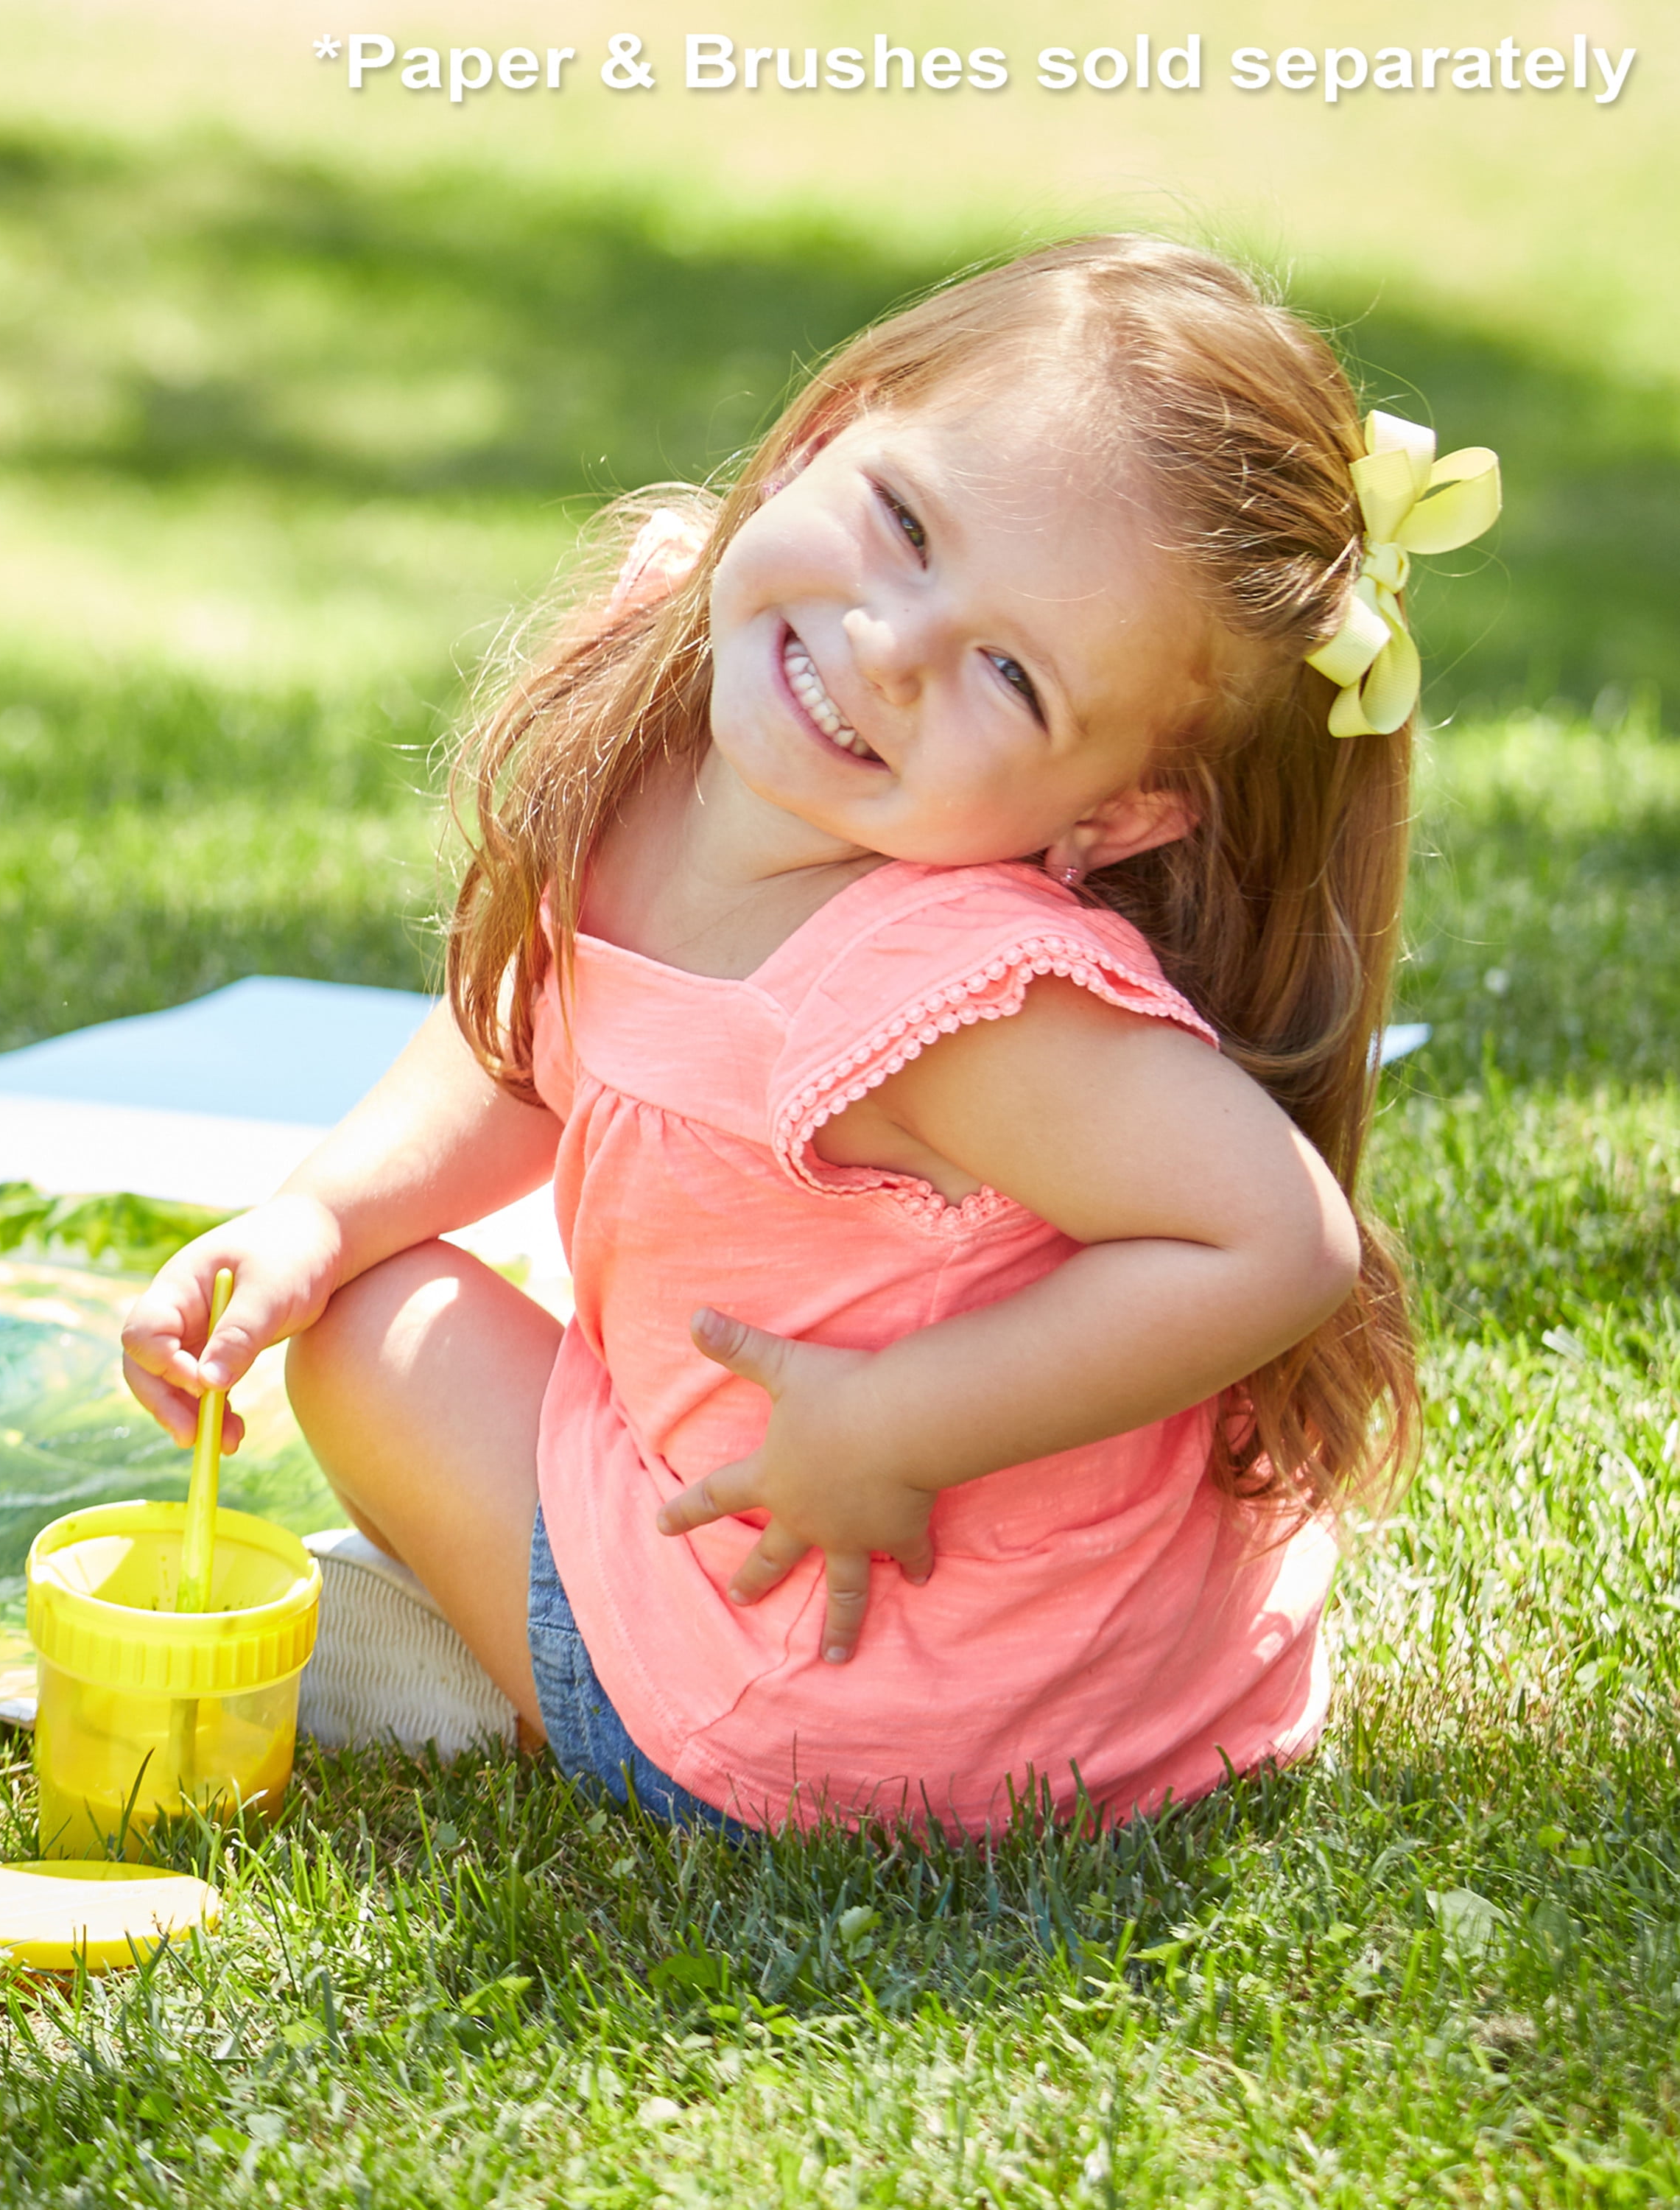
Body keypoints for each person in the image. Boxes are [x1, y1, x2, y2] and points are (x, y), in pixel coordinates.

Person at [122, 234, 1500, 1834]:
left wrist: (895, 1423)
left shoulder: (949, 988)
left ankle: (509, 1664)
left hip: (834, 1698)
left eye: (1009, 675)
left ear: (1117, 811)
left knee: (372, 1337)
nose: (886, 648)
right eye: (906, 524)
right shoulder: (672, 697)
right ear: (831, 425)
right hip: (1040, 1671)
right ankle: (542, 1585)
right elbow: (534, 1022)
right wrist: (318, 1213)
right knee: (364, 1270)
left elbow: (1280, 1245)